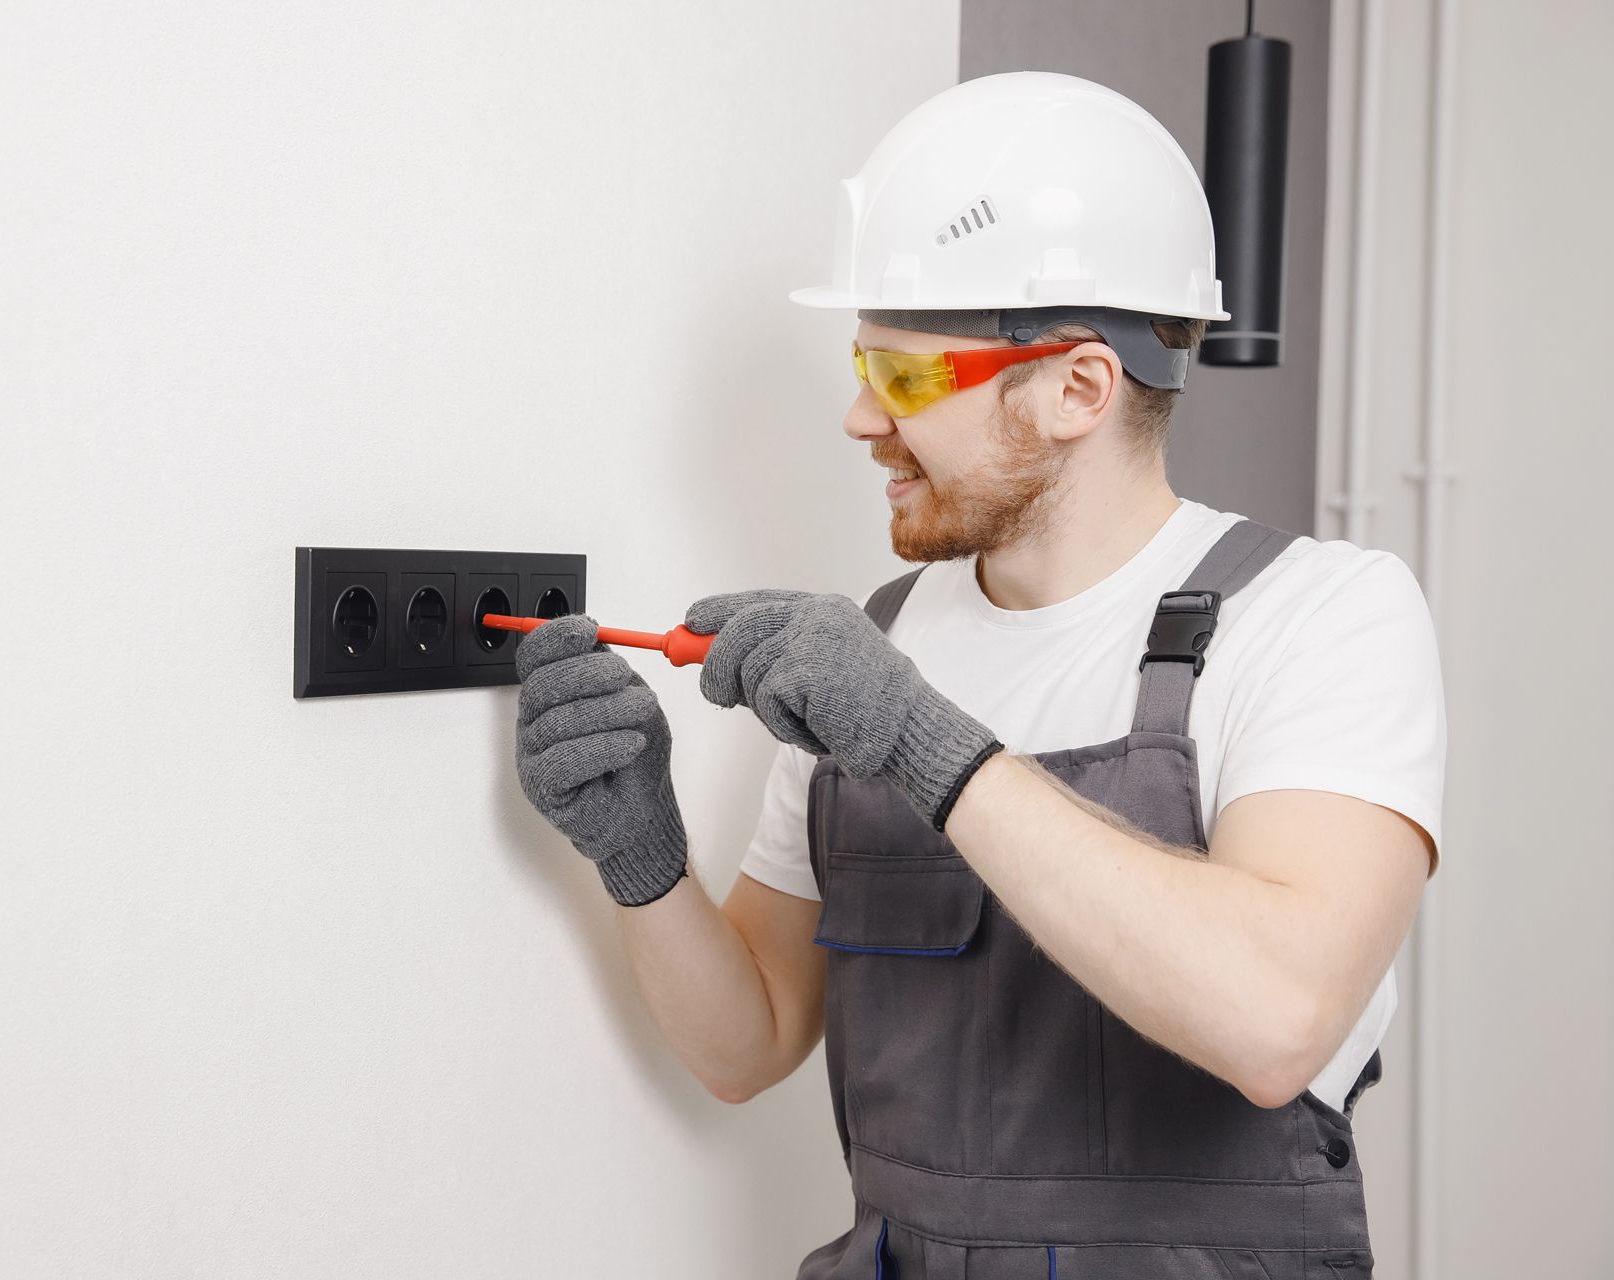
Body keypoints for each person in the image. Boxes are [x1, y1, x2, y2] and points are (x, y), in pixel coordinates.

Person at [510, 71, 1443, 1280]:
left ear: (1077, 388)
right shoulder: (873, 647)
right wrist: (637, 853)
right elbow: (749, 1038)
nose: (857, 416)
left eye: (902, 378)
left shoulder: (1322, 616)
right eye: (863, 365)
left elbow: (1276, 1019)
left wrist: (920, 739)